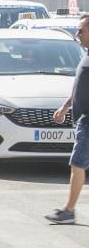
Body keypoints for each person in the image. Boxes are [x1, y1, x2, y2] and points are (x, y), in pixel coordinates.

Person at [46, 14, 89, 224]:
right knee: (78, 165)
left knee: (77, 164)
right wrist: (65, 106)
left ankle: (69, 211)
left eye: (81, 30)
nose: (77, 34)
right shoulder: (86, 55)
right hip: (83, 120)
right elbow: (79, 88)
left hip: (88, 123)